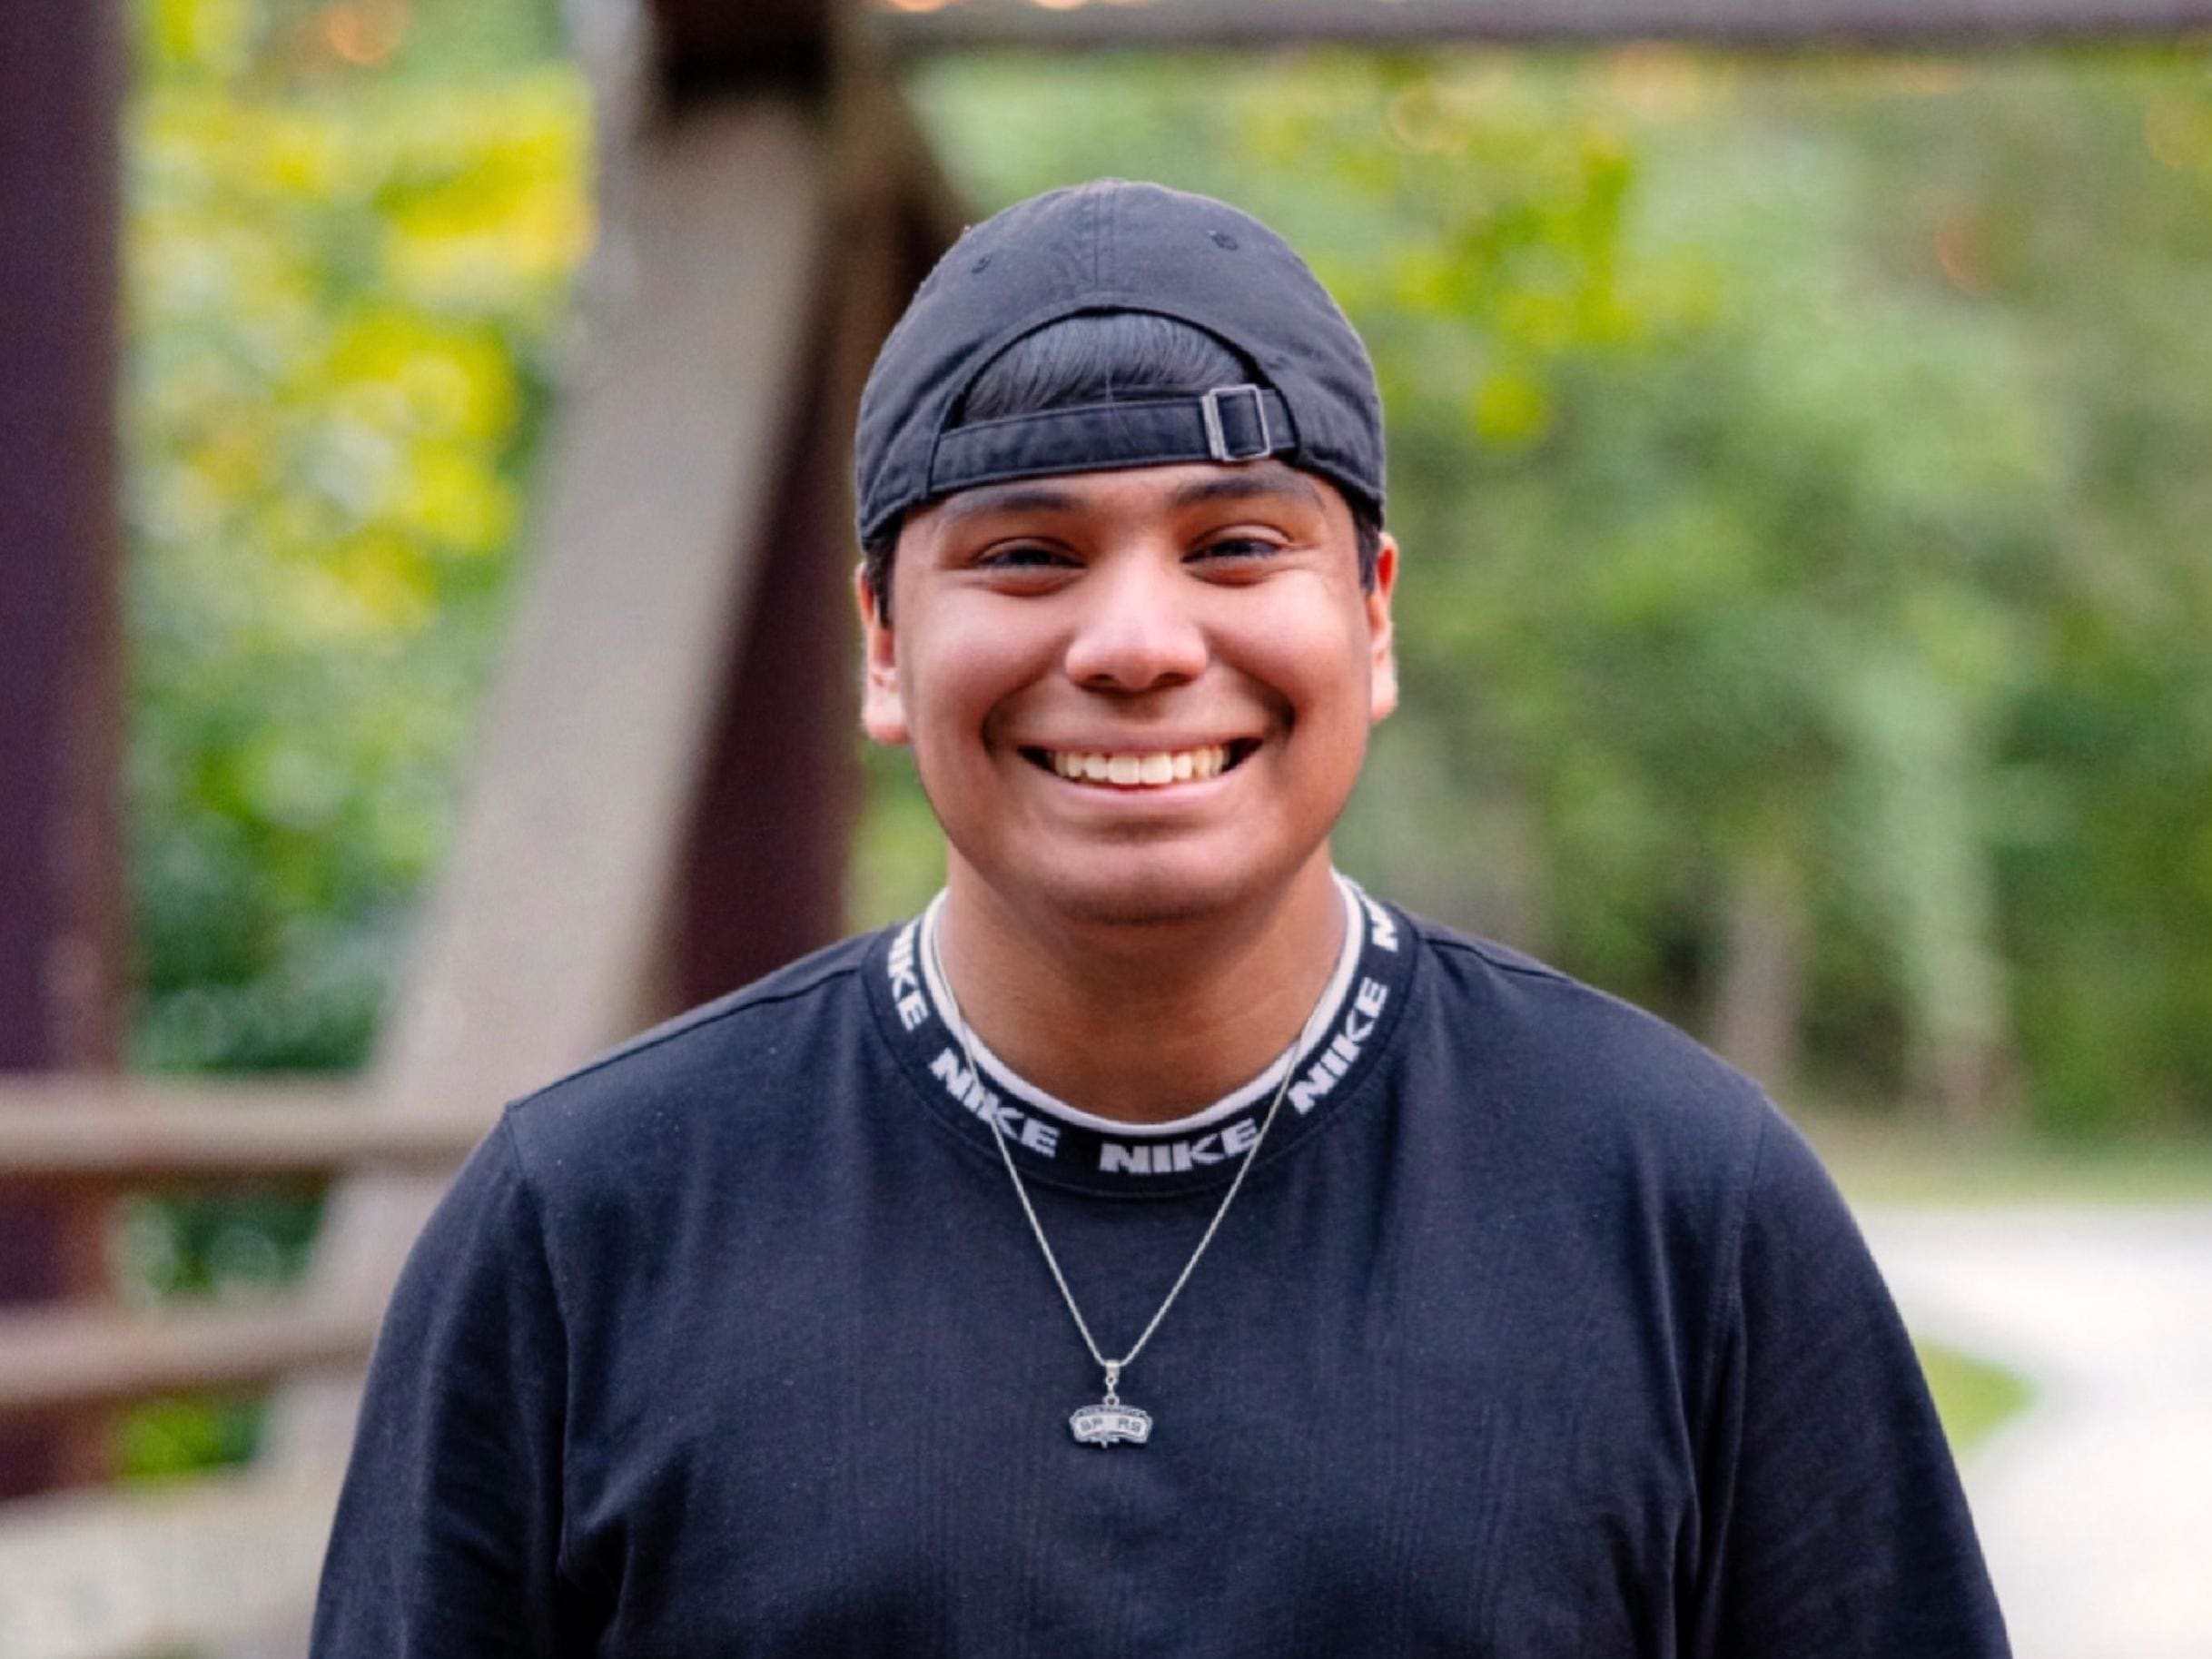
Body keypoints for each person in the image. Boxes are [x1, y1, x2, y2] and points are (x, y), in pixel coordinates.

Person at [311, 179, 2010, 1656]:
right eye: (1029, 555)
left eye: (1239, 543)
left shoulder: (1685, 1206)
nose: (1134, 642)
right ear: (885, 646)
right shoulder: (582, 1228)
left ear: (1375, 618)